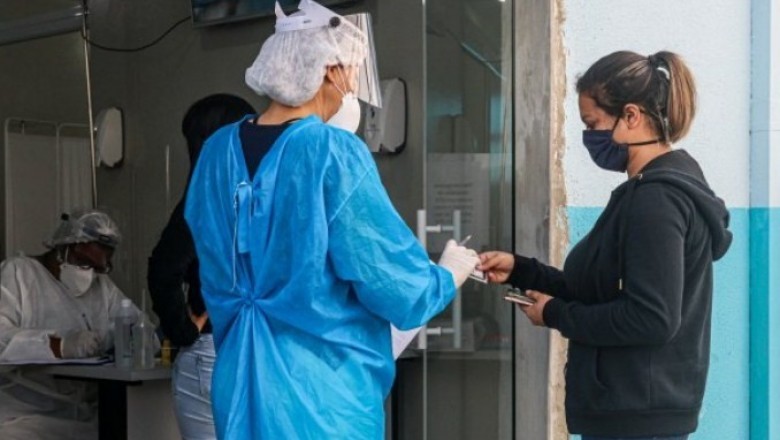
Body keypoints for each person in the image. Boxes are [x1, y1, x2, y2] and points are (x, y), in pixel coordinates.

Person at [184, 0, 480, 438]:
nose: (353, 85)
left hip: (240, 385)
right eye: (352, 71)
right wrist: (447, 274)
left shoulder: (216, 152)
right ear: (328, 71)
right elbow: (396, 286)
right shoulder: (332, 153)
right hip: (321, 398)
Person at [480, 51, 732, 440]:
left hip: (638, 420)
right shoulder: (643, 193)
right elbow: (597, 288)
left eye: (592, 123)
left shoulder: (656, 201)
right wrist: (522, 269)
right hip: (630, 414)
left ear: (631, 116)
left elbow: (651, 318)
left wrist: (556, 315)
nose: (589, 137)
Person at [148, 93, 255, 440]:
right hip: (263, 349)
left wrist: (182, 330)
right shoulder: (268, 193)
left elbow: (164, 269)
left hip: (213, 350)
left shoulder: (204, 197)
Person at [0, 209, 143, 440]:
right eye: (83, 262)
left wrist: (122, 341)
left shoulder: (102, 288)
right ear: (61, 247)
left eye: (99, 267)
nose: (89, 274)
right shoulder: (19, 274)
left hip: (86, 417)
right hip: (24, 416)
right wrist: (59, 345)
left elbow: (139, 328)